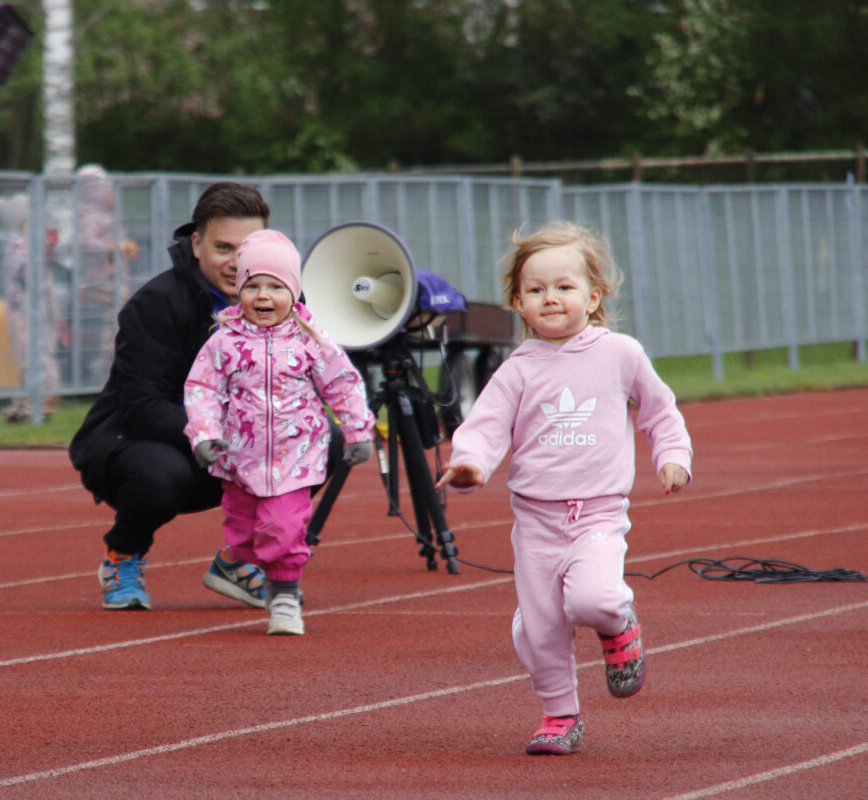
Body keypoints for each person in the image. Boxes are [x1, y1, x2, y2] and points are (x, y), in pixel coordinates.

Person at [435, 221, 692, 755]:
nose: (550, 298)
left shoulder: (620, 353)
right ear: (518, 302)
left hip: (597, 513)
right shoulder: (517, 370)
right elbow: (484, 428)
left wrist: (672, 457)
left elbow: (660, 411)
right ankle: (559, 715)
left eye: (564, 287)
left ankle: (620, 626)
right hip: (536, 522)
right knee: (542, 630)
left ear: (593, 296)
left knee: (594, 599)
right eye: (536, 289)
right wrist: (469, 465)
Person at [68, 182, 348, 611]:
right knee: (162, 476)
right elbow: (140, 408)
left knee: (326, 438)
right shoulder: (155, 304)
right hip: (140, 443)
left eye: (248, 248)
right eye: (224, 248)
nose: (238, 263)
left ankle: (240, 560)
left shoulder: (284, 300)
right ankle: (123, 553)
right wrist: (218, 434)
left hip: (237, 449)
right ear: (196, 244)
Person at [184, 230, 375, 635]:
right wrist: (203, 434)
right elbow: (202, 389)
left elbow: (342, 384)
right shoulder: (224, 342)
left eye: (276, 286)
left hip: (296, 457)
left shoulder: (311, 341)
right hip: (239, 459)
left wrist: (358, 432)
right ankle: (239, 563)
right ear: (239, 292)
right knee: (244, 538)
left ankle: (285, 595)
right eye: (252, 286)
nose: (263, 296)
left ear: (295, 291)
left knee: (283, 529)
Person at [0, 194, 60, 423]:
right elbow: (27, 275)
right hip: (25, 312)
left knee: (37, 357)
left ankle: (29, 404)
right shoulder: (19, 243)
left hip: (38, 311)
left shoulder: (31, 242)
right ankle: (33, 406)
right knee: (31, 358)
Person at [73, 164, 138, 384]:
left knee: (118, 325)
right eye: (108, 190)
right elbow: (85, 242)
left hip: (115, 280)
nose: (113, 195)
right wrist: (113, 247)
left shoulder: (106, 215)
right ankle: (104, 372)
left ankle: (109, 369)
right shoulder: (91, 216)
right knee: (114, 327)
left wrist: (125, 247)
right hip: (103, 283)